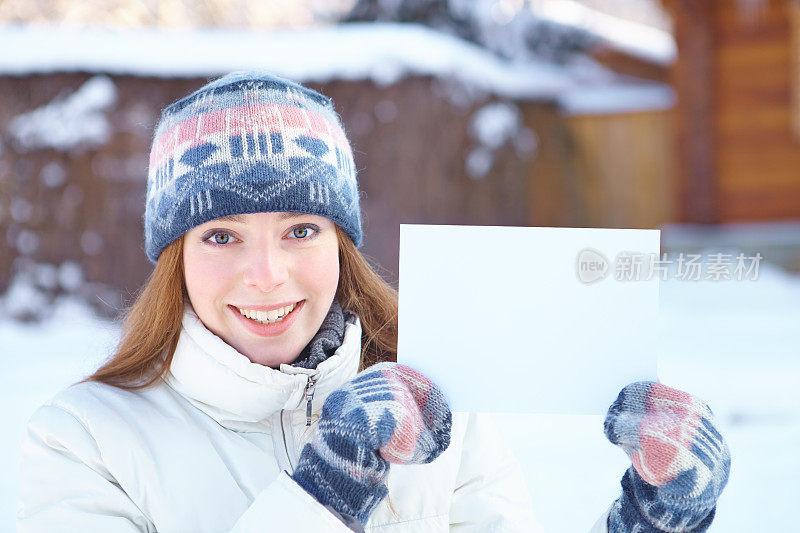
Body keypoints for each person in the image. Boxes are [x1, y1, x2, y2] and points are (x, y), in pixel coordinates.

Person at [17, 71, 730, 533]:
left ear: (341, 244)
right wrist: (325, 490)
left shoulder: (445, 405)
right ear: (174, 255)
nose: (266, 274)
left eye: (301, 229)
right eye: (221, 235)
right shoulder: (82, 440)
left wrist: (655, 521)